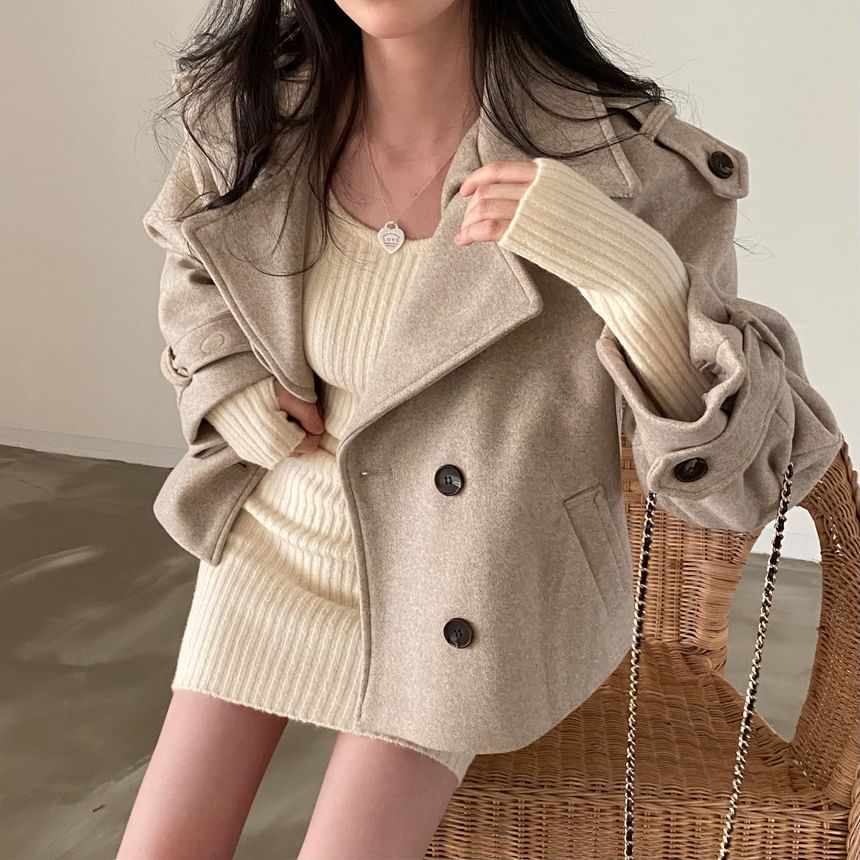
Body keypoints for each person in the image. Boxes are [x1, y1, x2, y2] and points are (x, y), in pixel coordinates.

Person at [119, 1, 842, 858]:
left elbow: (747, 486)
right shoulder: (258, 116)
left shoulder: (632, 169)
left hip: (461, 575)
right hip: (274, 542)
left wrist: (642, 286)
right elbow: (197, 261)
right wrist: (226, 379)